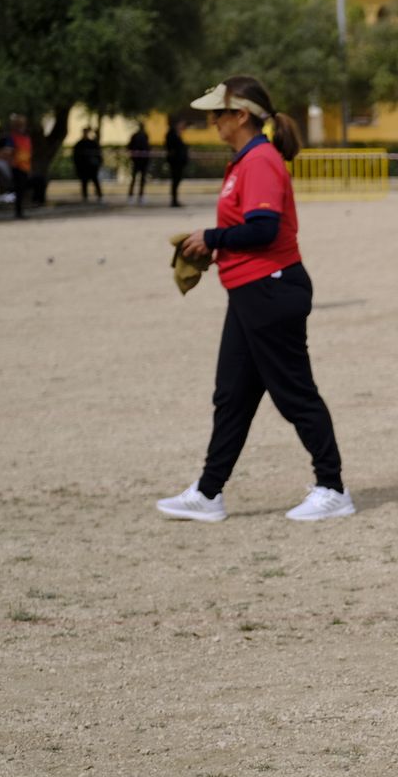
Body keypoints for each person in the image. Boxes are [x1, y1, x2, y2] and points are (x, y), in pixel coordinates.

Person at [157, 74, 353, 524]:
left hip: (271, 289)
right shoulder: (245, 160)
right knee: (232, 395)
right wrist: (213, 243)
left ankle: (333, 488)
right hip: (250, 291)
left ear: (241, 115)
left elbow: (263, 229)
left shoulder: (261, 160)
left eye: (218, 113)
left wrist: (212, 237)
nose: (213, 122)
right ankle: (208, 493)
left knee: (294, 394)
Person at [7, 116, 32, 219]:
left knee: (23, 190)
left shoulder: (26, 138)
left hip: (25, 167)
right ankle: (18, 212)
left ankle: (21, 210)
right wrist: (11, 162)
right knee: (19, 190)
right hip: (17, 167)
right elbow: (9, 152)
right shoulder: (13, 138)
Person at [72, 127, 103, 203]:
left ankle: (99, 195)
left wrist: (98, 163)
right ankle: (85, 196)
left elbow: (98, 154)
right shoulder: (79, 144)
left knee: (95, 180)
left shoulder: (93, 143)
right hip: (83, 167)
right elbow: (76, 156)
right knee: (84, 181)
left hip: (92, 167)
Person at [164, 119, 188, 208]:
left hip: (179, 162)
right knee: (175, 181)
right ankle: (174, 200)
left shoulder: (176, 135)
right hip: (175, 162)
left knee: (176, 181)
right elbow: (172, 149)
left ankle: (175, 200)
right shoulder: (172, 135)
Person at [127, 126, 151, 204]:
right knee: (139, 180)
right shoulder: (143, 136)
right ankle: (138, 196)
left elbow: (129, 147)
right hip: (141, 161)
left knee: (136, 179)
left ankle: (133, 196)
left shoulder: (137, 136)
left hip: (138, 161)